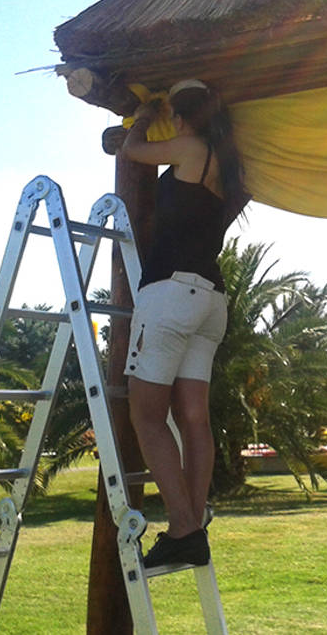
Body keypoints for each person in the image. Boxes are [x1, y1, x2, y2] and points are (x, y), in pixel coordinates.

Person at [120, 79, 249, 568]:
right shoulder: (227, 164)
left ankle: (183, 526)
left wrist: (139, 119)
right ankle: (192, 521)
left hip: (171, 295)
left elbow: (135, 153)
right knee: (194, 418)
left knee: (147, 416)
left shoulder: (191, 147)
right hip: (210, 299)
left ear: (181, 115)